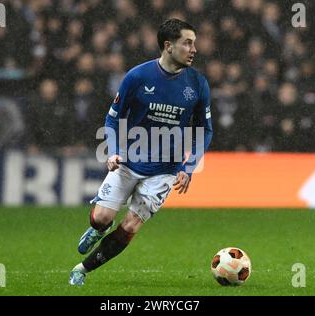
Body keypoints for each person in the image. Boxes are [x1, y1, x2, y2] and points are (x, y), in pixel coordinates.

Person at [69, 18, 213, 286]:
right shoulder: (137, 77)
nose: (194, 49)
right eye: (188, 43)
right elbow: (112, 119)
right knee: (102, 218)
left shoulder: (198, 84)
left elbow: (205, 130)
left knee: (132, 224)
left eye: (195, 43)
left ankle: (81, 269)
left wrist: (188, 167)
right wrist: (112, 151)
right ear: (168, 46)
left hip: (165, 170)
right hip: (128, 161)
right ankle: (99, 228)